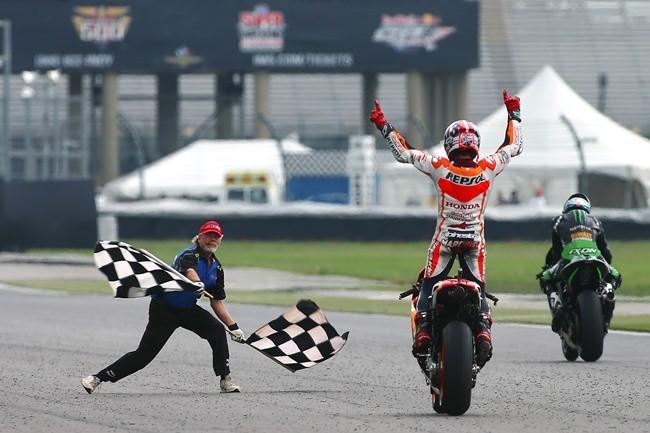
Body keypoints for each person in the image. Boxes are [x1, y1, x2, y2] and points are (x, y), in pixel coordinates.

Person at [369, 90, 523, 367]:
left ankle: (424, 331)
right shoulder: (489, 167)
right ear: (476, 144)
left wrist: (383, 125)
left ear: (450, 144)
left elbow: (403, 153)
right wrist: (514, 113)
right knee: (479, 288)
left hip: (445, 242)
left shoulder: (439, 166)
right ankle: (483, 331)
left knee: (428, 285)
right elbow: (514, 145)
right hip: (474, 243)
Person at [81, 220, 247, 394]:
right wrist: (196, 282)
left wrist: (234, 327)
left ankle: (225, 379)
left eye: (216, 236)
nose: (212, 239)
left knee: (217, 330)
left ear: (221, 239)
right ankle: (97, 378)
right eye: (209, 235)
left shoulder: (217, 269)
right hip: (164, 310)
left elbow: (216, 301)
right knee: (143, 356)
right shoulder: (188, 255)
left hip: (188, 310)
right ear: (199, 237)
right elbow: (189, 271)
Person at [538, 193, 621, 332]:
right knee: (616, 276)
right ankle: (607, 299)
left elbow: (556, 250)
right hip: (595, 257)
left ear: (566, 208)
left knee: (545, 278)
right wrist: (606, 266)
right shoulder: (596, 221)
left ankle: (558, 307)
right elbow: (606, 252)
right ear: (588, 208)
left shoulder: (558, 220)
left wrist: (553, 265)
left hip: (569, 258)